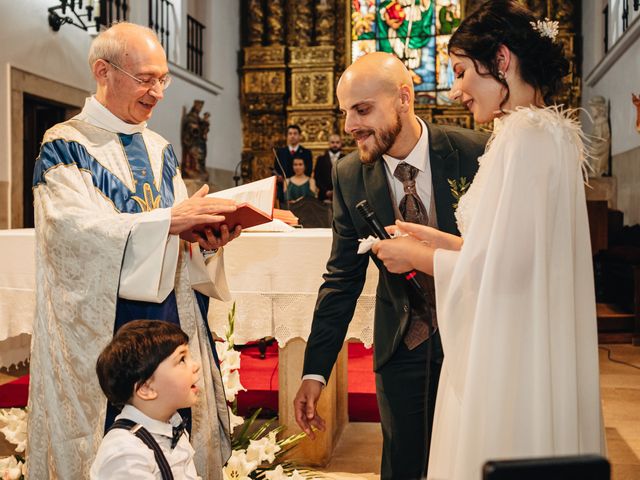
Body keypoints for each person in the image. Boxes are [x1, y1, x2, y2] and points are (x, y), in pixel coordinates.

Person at [372, 2, 606, 478]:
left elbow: (506, 270)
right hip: (530, 334)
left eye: (461, 71)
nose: (456, 89)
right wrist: (441, 241)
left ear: (500, 60)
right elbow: (516, 250)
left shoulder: (524, 137)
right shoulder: (549, 131)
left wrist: (415, 256)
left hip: (509, 351)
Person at [27, 22, 239, 479]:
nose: (158, 92)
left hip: (165, 319)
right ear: (104, 71)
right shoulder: (65, 144)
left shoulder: (160, 150)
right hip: (105, 323)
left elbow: (180, 228)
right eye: (146, 78)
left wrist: (204, 240)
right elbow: (69, 234)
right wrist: (169, 221)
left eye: (163, 79)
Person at [293, 51, 488, 479]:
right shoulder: (349, 175)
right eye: (345, 112)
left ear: (404, 97)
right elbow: (341, 280)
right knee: (403, 463)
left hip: (476, 338)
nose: (350, 126)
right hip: (404, 339)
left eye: (362, 110)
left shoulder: (473, 153)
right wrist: (315, 371)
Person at [91, 320, 202, 479]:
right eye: (182, 359)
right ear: (146, 389)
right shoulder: (126, 454)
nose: (196, 365)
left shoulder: (171, 423)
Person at [273, 125, 313, 206]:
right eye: (290, 134)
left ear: (299, 136)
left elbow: (309, 170)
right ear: (287, 136)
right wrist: (279, 177)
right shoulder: (280, 152)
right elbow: (276, 169)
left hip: (302, 189)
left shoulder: (306, 152)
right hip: (285, 190)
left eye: (295, 133)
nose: (292, 136)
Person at [314, 134, 344, 203]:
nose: (335, 145)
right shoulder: (320, 159)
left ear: (341, 143)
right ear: (329, 143)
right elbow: (317, 177)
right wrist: (326, 191)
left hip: (341, 196)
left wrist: (337, 192)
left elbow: (348, 178)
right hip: (323, 196)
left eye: (337, 142)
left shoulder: (345, 158)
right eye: (332, 142)